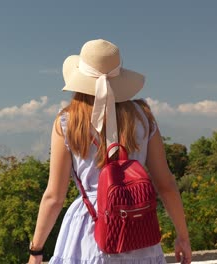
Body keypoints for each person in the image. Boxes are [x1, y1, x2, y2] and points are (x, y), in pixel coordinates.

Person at [28, 39, 192, 264]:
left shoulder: (67, 122)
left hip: (89, 229)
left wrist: (36, 251)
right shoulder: (143, 117)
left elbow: (54, 197)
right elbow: (166, 184)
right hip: (136, 227)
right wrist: (183, 237)